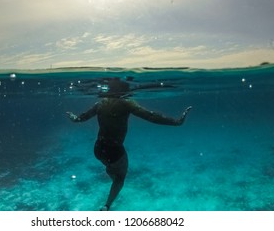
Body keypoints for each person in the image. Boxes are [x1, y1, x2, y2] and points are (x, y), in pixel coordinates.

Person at [66, 78, 192, 211]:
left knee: (110, 166)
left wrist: (73, 117)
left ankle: (110, 169)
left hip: (98, 149)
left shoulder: (100, 103)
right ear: (124, 90)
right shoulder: (126, 103)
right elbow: (151, 116)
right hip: (114, 151)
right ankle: (106, 206)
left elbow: (80, 118)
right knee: (120, 178)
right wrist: (176, 122)